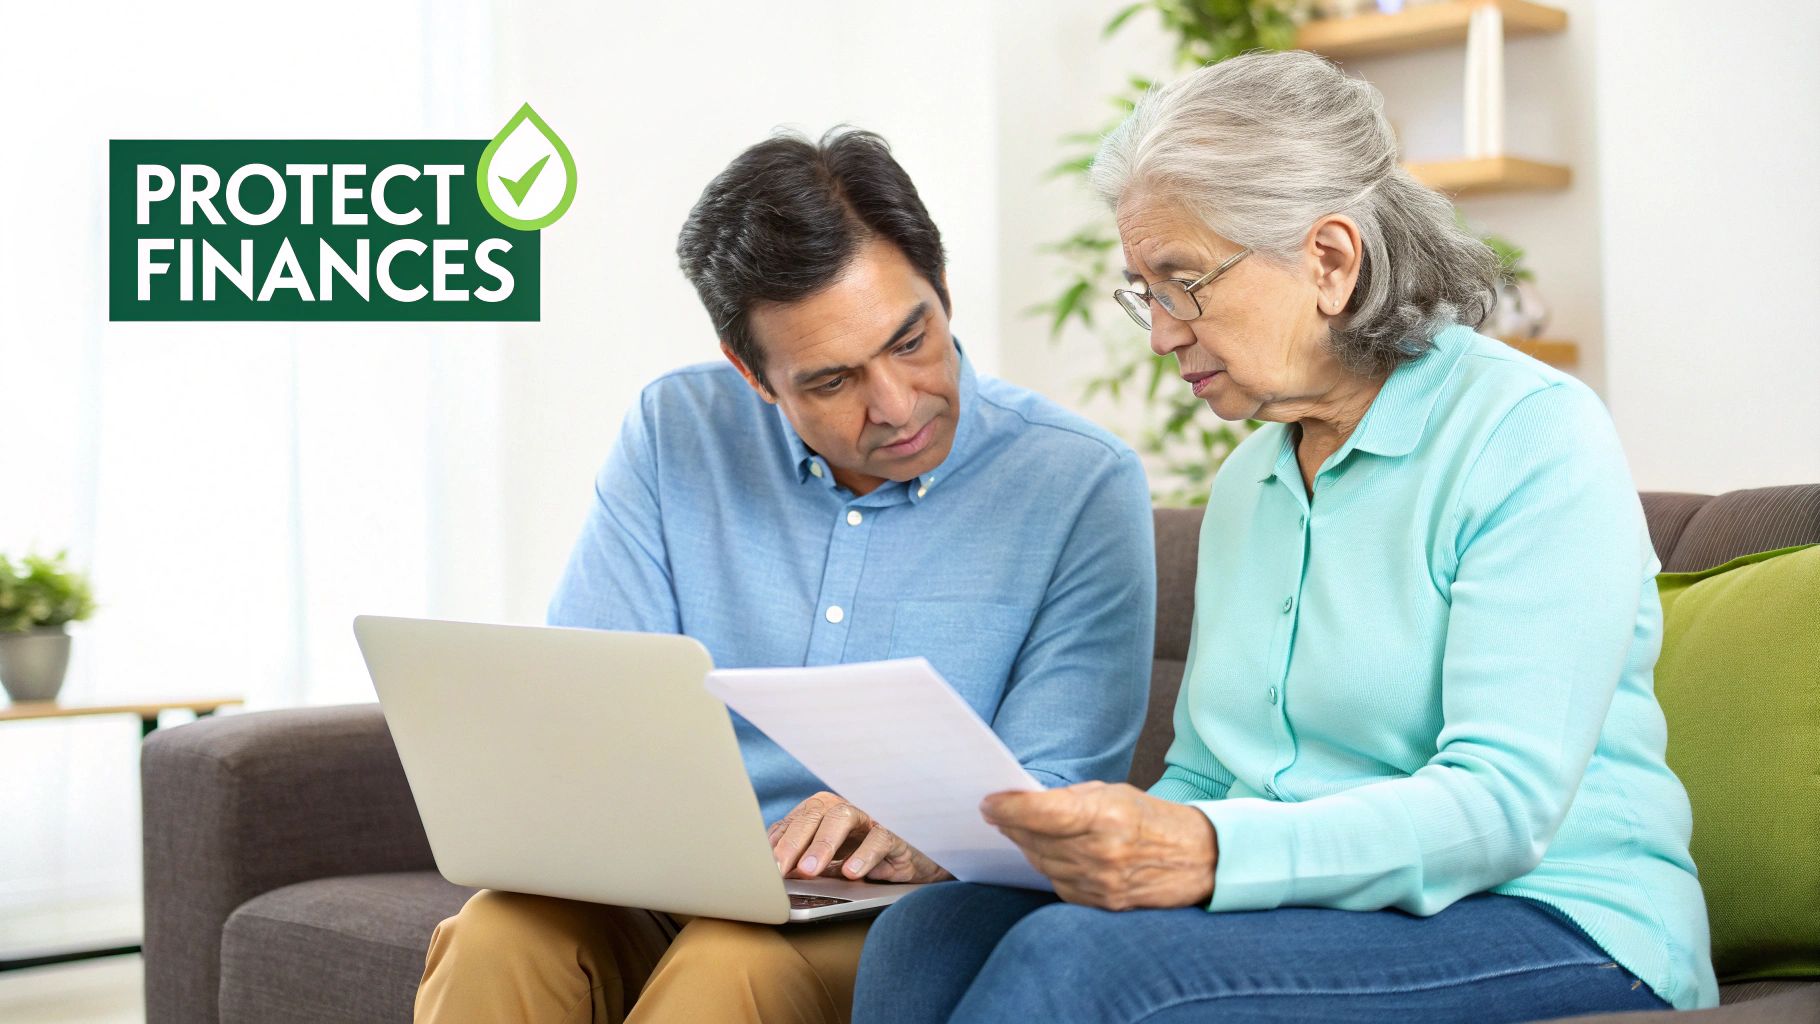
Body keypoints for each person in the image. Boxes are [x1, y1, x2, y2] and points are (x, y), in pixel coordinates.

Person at [853, 51, 1718, 1023]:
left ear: (1330, 261)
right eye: (1144, 291)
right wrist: (1094, 838)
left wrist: (1206, 852)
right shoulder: (1251, 483)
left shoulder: (1529, 435)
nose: (1161, 334)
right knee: (930, 932)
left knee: (1083, 964)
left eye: (1182, 283)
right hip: (1320, 906)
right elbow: (1209, 772)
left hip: (1555, 917)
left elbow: (1501, 809)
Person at [412, 127, 1156, 1023]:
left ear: (943, 291)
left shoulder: (1078, 482)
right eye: (833, 382)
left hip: (899, 901)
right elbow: (591, 701)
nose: (897, 405)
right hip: (680, 876)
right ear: (754, 374)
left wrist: (919, 825)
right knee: (499, 933)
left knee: (734, 964)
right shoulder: (677, 428)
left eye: (912, 340)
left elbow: (1061, 783)